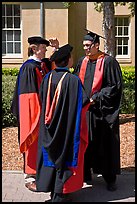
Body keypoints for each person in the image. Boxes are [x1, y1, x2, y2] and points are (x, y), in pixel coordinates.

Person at [36, 44, 90, 202]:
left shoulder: (47, 77)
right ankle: (59, 196)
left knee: (50, 157)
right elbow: (83, 102)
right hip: (66, 128)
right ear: (67, 60)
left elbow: (41, 99)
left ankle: (53, 192)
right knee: (63, 157)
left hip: (48, 128)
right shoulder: (73, 80)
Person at [74, 29, 123, 191]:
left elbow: (114, 87)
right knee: (86, 143)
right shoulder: (82, 61)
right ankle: (86, 174)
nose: (86, 49)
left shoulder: (109, 62)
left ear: (96, 45)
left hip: (102, 112)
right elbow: (76, 82)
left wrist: (97, 97)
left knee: (106, 143)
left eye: (88, 45)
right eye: (84, 46)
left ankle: (110, 179)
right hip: (86, 112)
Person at [11, 36, 59, 191]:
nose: (45, 50)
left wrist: (56, 48)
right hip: (33, 114)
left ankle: (39, 173)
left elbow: (56, 66)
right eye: (43, 48)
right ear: (34, 48)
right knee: (31, 143)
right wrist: (38, 114)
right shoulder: (29, 68)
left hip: (43, 112)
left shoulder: (41, 64)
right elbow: (28, 97)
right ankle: (30, 177)